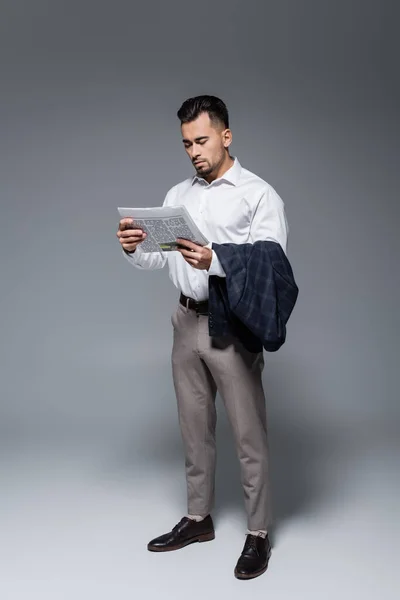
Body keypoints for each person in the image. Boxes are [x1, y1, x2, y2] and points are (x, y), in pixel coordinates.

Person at [116, 95, 289, 580]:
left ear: (226, 136)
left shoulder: (258, 195)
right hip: (185, 320)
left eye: (202, 139)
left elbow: (272, 267)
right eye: (186, 143)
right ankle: (198, 519)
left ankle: (258, 533)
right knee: (194, 429)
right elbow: (160, 258)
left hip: (231, 323)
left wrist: (214, 261)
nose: (193, 151)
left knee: (248, 435)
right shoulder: (178, 195)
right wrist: (134, 248)